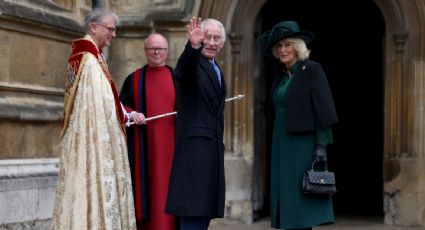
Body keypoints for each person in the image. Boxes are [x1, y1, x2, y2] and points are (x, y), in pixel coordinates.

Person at [53, 9, 136, 230]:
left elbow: (107, 100)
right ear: (93, 27)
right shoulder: (88, 61)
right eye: (110, 29)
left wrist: (126, 114)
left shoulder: (94, 58)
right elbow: (94, 109)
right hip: (94, 143)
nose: (114, 34)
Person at [257, 20, 338, 230]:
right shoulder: (279, 73)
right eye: (279, 46)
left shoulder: (311, 69)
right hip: (281, 141)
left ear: (298, 47)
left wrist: (322, 145)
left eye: (288, 45)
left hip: (304, 143)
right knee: (286, 195)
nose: (283, 50)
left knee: (302, 198)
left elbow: (323, 110)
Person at [165, 17, 227, 230]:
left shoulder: (214, 66)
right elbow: (183, 72)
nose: (210, 42)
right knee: (193, 214)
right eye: (206, 37)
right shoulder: (194, 63)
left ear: (222, 43)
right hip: (195, 153)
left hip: (211, 152)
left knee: (203, 216)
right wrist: (192, 46)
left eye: (215, 38)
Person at [119, 33, 177, 230]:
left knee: (171, 191)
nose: (157, 52)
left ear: (167, 52)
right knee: (150, 192)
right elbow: (119, 107)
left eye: (160, 48)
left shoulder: (178, 78)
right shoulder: (134, 79)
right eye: (152, 48)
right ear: (145, 51)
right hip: (144, 150)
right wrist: (132, 113)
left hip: (174, 151)